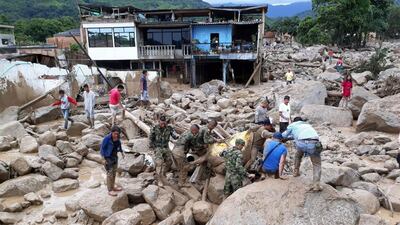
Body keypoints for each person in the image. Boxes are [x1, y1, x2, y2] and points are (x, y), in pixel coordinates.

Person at [282, 117, 323, 191]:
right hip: (314, 143)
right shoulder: (307, 125)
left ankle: (296, 172)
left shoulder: (293, 125)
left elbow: (284, 135)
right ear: (301, 121)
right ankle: (316, 184)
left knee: (298, 155)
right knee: (317, 164)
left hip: (301, 143)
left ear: (294, 121)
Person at [149, 116, 178, 185]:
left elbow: (174, 135)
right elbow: (151, 138)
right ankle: (159, 179)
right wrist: (153, 147)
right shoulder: (154, 128)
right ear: (159, 122)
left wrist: (177, 136)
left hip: (166, 146)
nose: (163, 125)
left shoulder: (169, 128)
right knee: (159, 163)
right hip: (158, 147)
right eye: (161, 123)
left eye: (164, 123)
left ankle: (163, 173)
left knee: (169, 161)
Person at [100, 126, 125, 196]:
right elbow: (102, 148)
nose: (116, 135)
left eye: (117, 134)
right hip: (108, 157)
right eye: (115, 134)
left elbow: (119, 144)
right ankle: (110, 190)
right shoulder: (107, 138)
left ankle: (113, 187)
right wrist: (103, 159)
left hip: (114, 157)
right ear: (112, 132)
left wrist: (122, 152)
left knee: (114, 173)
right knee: (110, 173)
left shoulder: (117, 138)